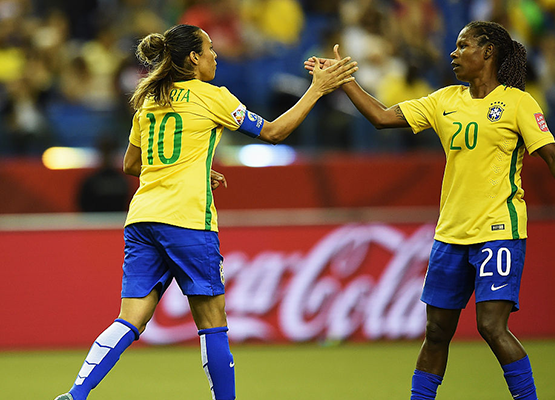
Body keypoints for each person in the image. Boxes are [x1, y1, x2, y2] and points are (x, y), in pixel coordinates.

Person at [53, 23, 356, 400]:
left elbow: (133, 164)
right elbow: (275, 132)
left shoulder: (151, 99)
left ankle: (75, 394)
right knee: (213, 323)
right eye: (210, 48)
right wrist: (318, 89)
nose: (217, 55)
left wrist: (187, 164)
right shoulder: (213, 96)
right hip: (187, 220)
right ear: (194, 57)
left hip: (143, 218)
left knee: (129, 319)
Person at [305, 20, 555, 400]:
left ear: (488, 51)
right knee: (436, 332)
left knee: (492, 326)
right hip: (450, 235)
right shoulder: (443, 100)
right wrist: (343, 80)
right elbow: (382, 117)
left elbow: (551, 153)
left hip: (498, 230)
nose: (454, 53)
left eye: (463, 45)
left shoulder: (518, 102)